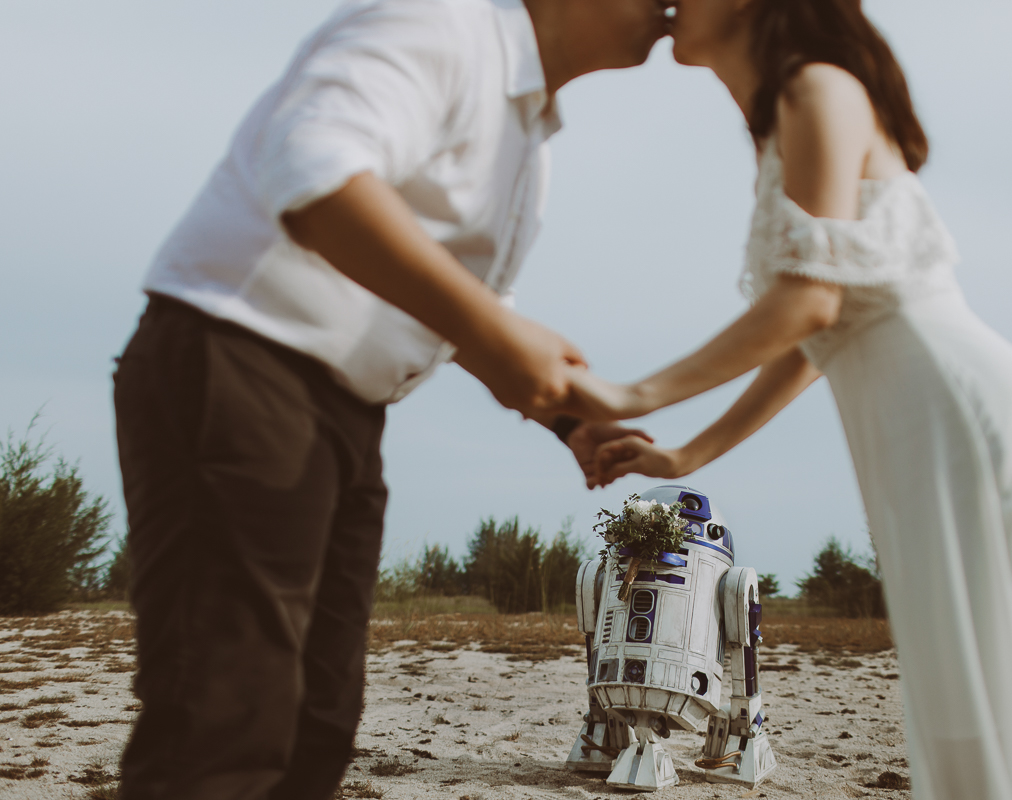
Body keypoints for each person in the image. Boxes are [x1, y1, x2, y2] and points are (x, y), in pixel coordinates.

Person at [564, 0, 1012, 798]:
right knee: (963, 696)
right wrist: (685, 453)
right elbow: (820, 339)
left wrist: (631, 390)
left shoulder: (815, 89)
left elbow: (810, 304)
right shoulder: (782, 121)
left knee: (997, 695)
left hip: (964, 425)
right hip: (915, 439)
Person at [111, 0, 667, 796]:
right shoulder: (439, 23)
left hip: (342, 408)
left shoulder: (528, 129)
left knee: (319, 719)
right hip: (240, 365)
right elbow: (314, 177)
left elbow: (429, 293)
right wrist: (498, 333)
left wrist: (569, 418)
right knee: (225, 712)